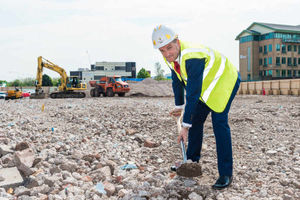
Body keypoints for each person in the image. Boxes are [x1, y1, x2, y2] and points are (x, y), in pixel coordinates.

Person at [152, 25, 241, 190]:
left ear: (177, 42)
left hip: (224, 81)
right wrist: (179, 107)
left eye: (169, 48)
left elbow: (192, 93)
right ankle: (191, 163)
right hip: (206, 87)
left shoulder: (192, 56)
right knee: (195, 119)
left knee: (219, 123)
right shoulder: (170, 56)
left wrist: (184, 126)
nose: (167, 54)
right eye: (162, 51)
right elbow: (177, 79)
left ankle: (226, 173)